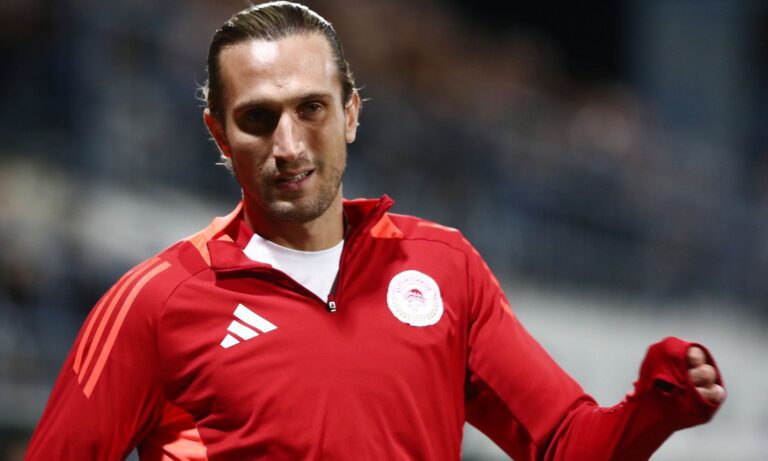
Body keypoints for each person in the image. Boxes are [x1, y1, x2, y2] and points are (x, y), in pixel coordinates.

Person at [25, 2, 725, 460]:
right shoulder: (154, 302)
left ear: (353, 114)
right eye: (258, 118)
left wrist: (654, 409)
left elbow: (565, 441)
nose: (289, 145)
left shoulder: (445, 268)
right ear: (218, 134)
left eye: (312, 109)